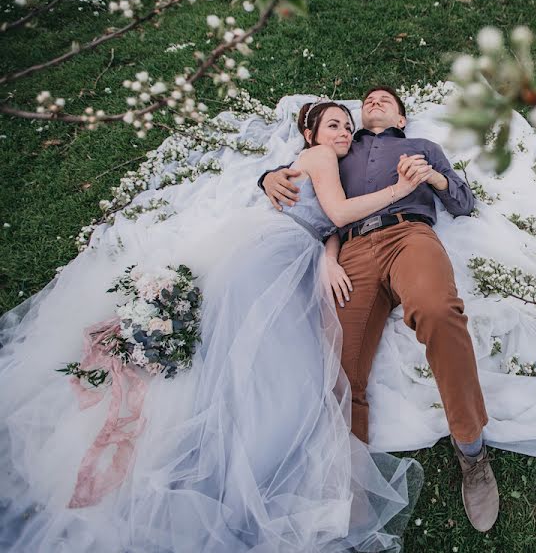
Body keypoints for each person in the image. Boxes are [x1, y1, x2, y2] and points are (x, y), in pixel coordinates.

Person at [0, 101, 426, 552]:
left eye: (348, 126)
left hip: (294, 259)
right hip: (273, 259)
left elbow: (328, 223)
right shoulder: (321, 157)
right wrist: (400, 189)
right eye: (334, 125)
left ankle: (228, 473)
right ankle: (232, 474)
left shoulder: (330, 166)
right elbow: (337, 214)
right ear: (309, 133)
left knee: (255, 368)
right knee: (276, 371)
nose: (344, 132)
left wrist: (327, 256)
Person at [259, 86, 500, 532]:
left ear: (402, 119)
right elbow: (320, 203)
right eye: (366, 101)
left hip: (410, 236)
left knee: (438, 311)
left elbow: (464, 203)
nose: (373, 102)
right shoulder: (339, 151)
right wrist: (268, 177)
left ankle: (472, 451)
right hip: (351, 254)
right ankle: (352, 489)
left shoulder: (421, 148)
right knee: (340, 368)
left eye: (385, 100)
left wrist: (431, 177)